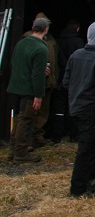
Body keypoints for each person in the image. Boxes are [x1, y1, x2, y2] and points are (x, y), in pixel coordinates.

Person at [63, 22, 95, 198]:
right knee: (87, 148)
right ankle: (77, 189)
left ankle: (93, 180)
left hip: (76, 108)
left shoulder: (76, 55)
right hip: (93, 110)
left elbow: (66, 82)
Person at [6, 16, 49, 162]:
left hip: (15, 88)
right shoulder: (41, 48)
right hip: (28, 90)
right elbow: (37, 76)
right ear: (46, 29)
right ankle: (21, 153)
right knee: (25, 120)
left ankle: (13, 150)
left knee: (18, 118)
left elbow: (14, 63)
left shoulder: (21, 43)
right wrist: (39, 95)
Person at [22, 13, 60, 149]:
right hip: (33, 82)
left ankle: (38, 136)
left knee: (43, 112)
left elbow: (55, 61)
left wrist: (54, 79)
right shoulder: (28, 38)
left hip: (48, 81)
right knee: (30, 112)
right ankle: (27, 140)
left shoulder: (51, 40)